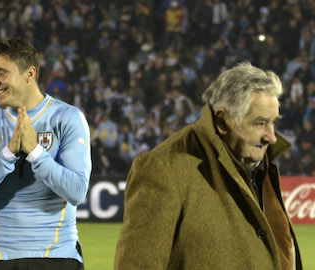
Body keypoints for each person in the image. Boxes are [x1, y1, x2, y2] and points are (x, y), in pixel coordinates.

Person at [115, 62, 302, 270]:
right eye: (260, 123)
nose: (272, 137)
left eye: (273, 122)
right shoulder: (165, 168)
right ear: (222, 121)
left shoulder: (260, 167)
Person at [0, 37, 91, 270]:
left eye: (1, 73)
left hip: (59, 256)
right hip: (2, 257)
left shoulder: (67, 117)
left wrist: (35, 152)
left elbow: (77, 191)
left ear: (29, 74)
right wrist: (8, 154)